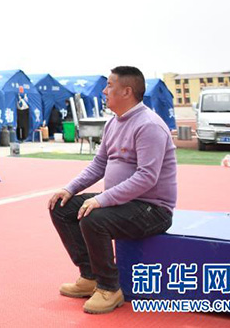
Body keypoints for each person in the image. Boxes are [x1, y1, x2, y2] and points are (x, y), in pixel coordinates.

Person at [48, 66, 176, 314]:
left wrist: (102, 199)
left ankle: (109, 288)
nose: (104, 91)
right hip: (124, 202)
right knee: (62, 207)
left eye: (109, 85)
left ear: (127, 91)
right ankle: (90, 277)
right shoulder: (113, 124)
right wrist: (69, 189)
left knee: (94, 217)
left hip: (152, 209)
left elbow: (147, 177)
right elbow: (99, 164)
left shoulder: (149, 126)